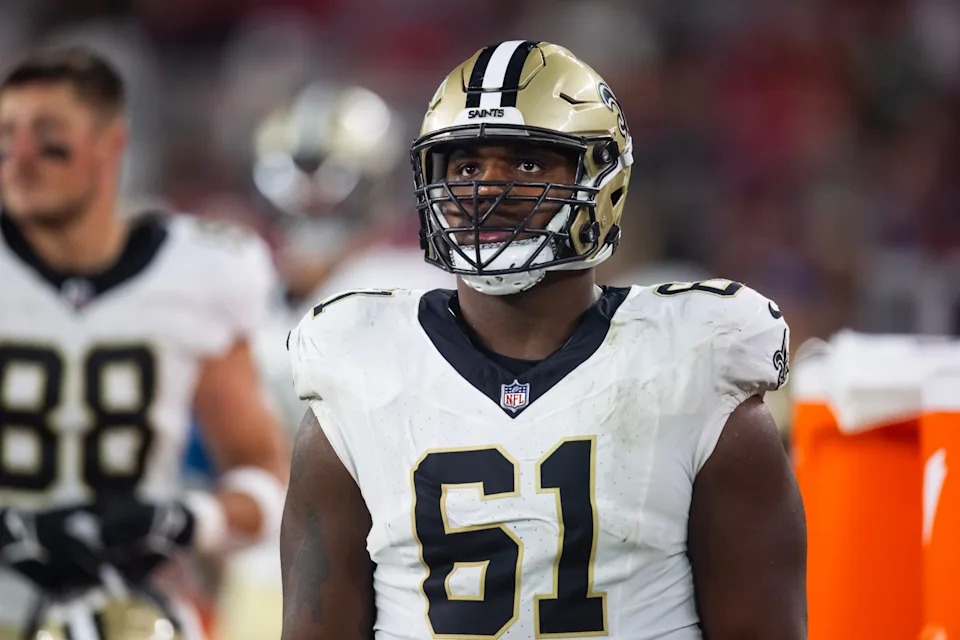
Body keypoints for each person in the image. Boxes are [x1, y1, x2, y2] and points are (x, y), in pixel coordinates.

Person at [282, 41, 807, 639]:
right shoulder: (362, 367)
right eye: (465, 166)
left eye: (528, 164)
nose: (487, 189)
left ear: (600, 179)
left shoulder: (694, 366)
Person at [0, 47, 289, 638]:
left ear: (111, 147)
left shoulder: (202, 269)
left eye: (49, 137)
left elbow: (264, 478)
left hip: (135, 608)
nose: (20, 159)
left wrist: (185, 520)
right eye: (7, 135)